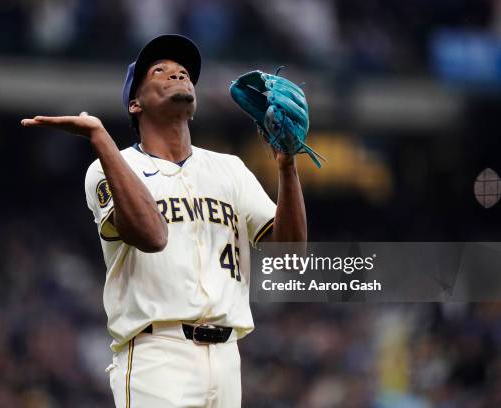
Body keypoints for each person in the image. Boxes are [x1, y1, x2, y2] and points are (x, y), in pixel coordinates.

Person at [21, 34, 307, 408]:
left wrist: (287, 166)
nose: (178, 75)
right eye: (161, 70)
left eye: (184, 72)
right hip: (157, 355)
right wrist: (101, 138)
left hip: (226, 359)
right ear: (135, 103)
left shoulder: (230, 169)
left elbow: (292, 256)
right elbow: (152, 235)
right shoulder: (110, 168)